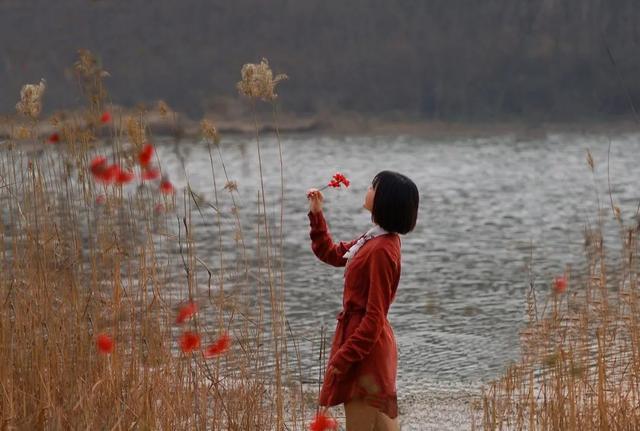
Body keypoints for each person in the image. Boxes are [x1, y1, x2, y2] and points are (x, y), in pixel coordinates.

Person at [306, 170, 419, 431]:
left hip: (366, 353)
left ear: (385, 200)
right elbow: (332, 253)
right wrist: (316, 213)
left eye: (373, 186)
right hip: (365, 345)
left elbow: (374, 317)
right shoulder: (374, 238)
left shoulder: (381, 249)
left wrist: (343, 358)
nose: (367, 189)